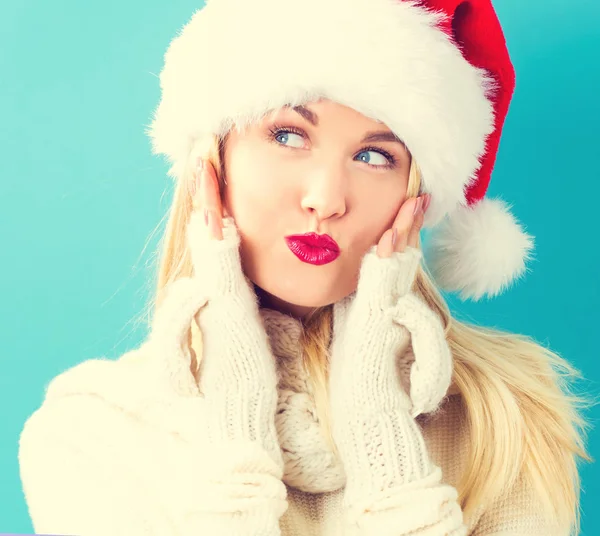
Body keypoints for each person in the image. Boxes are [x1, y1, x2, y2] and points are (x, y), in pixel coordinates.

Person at [17, 0, 594, 534]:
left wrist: (380, 432)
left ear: (414, 194)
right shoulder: (89, 432)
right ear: (210, 162)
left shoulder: (507, 417)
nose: (327, 198)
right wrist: (237, 425)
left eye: (375, 156)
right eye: (288, 135)